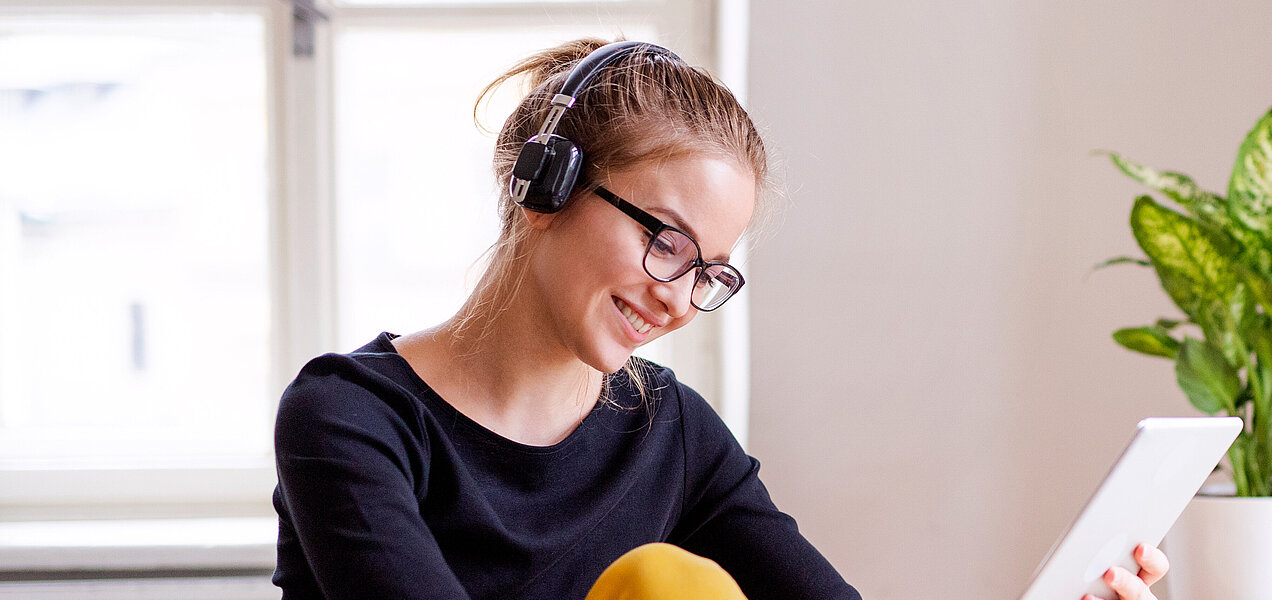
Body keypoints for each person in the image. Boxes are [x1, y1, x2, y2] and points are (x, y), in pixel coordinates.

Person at [269, 38, 1169, 600]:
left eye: (710, 272)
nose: (676, 295)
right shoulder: (349, 419)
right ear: (547, 186)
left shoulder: (668, 428)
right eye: (666, 240)